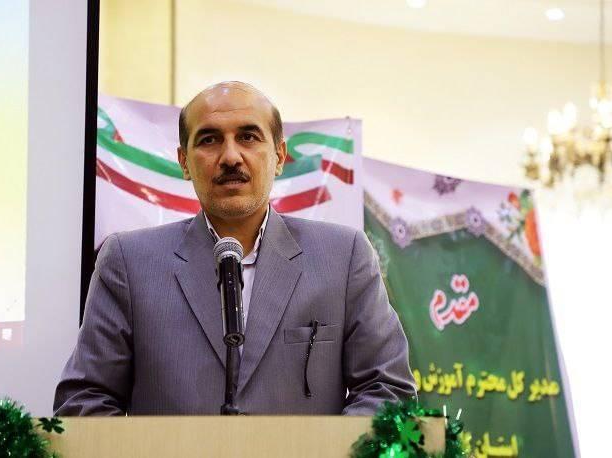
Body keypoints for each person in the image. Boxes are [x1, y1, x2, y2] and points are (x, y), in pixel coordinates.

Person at [54, 82, 416, 416]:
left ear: (280, 156)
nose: (230, 157)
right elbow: (84, 401)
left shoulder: (343, 256)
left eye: (248, 137)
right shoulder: (128, 262)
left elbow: (387, 391)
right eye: (209, 140)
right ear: (184, 162)